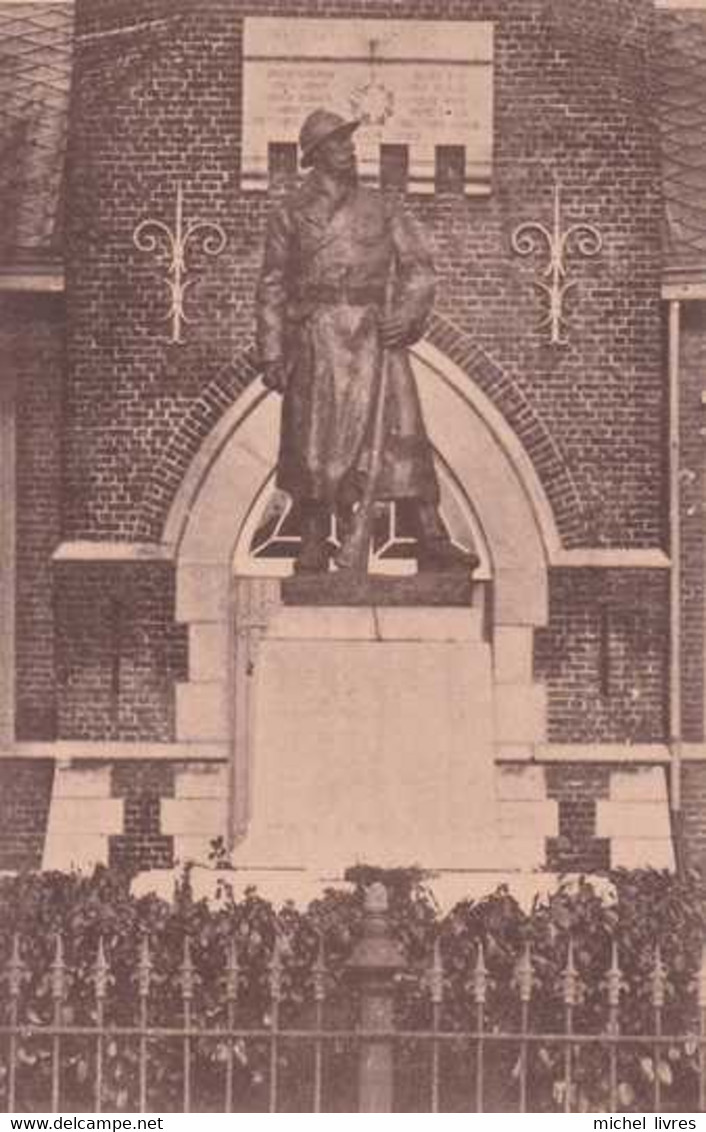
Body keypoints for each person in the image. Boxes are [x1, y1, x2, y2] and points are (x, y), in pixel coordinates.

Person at [256, 108, 477, 576]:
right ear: (316, 155)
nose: (349, 150)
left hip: (377, 335)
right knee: (314, 440)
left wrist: (408, 314)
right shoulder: (290, 213)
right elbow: (273, 284)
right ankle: (314, 537)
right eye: (338, 144)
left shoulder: (382, 207)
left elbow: (418, 268)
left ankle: (430, 535)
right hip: (318, 335)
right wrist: (272, 351)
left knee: (404, 433)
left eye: (349, 142)